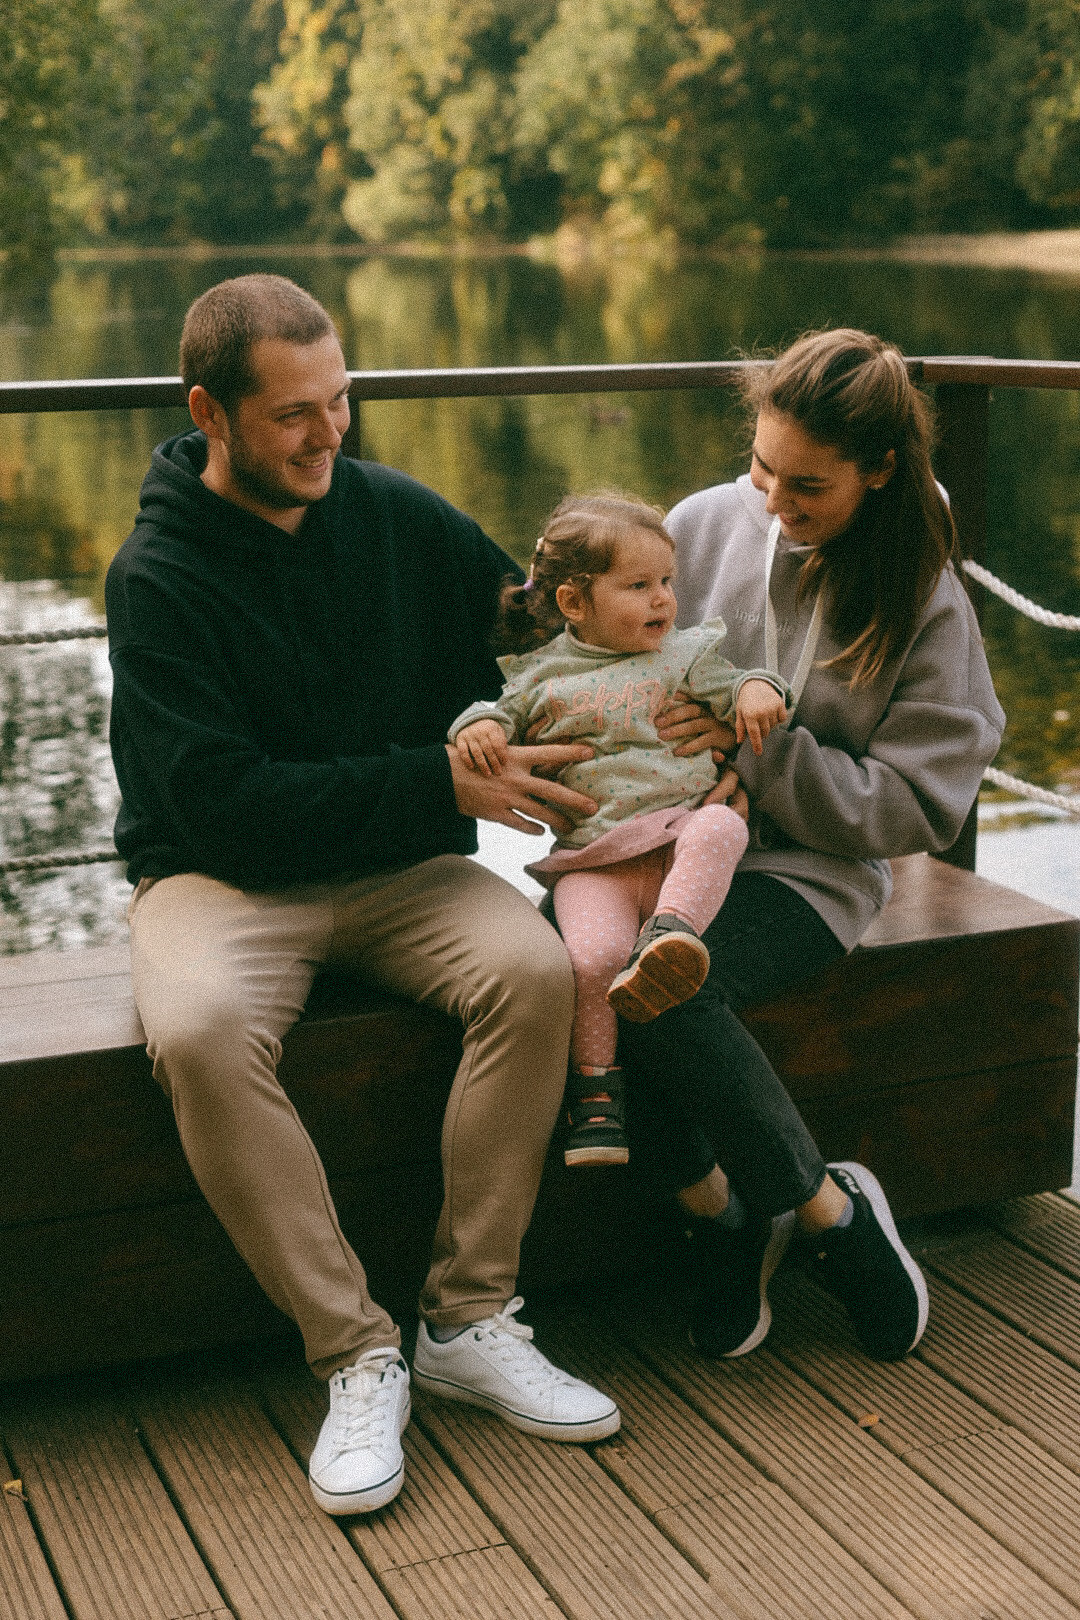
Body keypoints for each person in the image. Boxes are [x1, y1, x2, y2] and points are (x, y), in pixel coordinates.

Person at [105, 272, 621, 1521]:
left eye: (343, 400)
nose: (332, 433)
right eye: (295, 415)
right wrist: (435, 782)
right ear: (210, 413)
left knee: (536, 968)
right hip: (218, 876)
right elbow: (220, 799)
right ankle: (356, 1353)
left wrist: (658, 671)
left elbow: (527, 633)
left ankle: (470, 1319)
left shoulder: (390, 509)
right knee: (200, 1032)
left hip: (397, 867)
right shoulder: (156, 574)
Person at [617, 327, 1006, 1363]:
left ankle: (827, 1216)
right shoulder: (701, 524)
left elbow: (921, 804)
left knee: (668, 986)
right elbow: (617, 663)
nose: (775, 512)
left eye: (809, 489)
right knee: (569, 977)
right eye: (762, 472)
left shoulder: (923, 594)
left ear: (880, 471)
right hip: (652, 844)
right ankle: (736, 1217)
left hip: (810, 869)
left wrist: (768, 760)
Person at [450, 492, 790, 1168]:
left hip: (677, 841)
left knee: (721, 824)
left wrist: (757, 691)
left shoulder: (688, 655)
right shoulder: (540, 676)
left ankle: (672, 934)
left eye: (666, 582)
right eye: (638, 586)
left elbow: (741, 683)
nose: (663, 600)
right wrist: (478, 729)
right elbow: (487, 716)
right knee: (591, 960)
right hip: (593, 862)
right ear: (574, 602)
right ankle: (597, 1100)